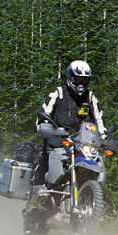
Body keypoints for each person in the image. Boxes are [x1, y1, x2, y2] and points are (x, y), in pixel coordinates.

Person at [31, 59, 107, 187]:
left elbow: (99, 118)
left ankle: (91, 197)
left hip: (79, 142)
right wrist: (44, 127)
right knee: (44, 168)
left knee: (96, 160)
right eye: (78, 80)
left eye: (85, 80)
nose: (81, 84)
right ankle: (36, 197)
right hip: (56, 141)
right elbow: (44, 112)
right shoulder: (59, 93)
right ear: (70, 78)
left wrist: (104, 136)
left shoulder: (89, 97)